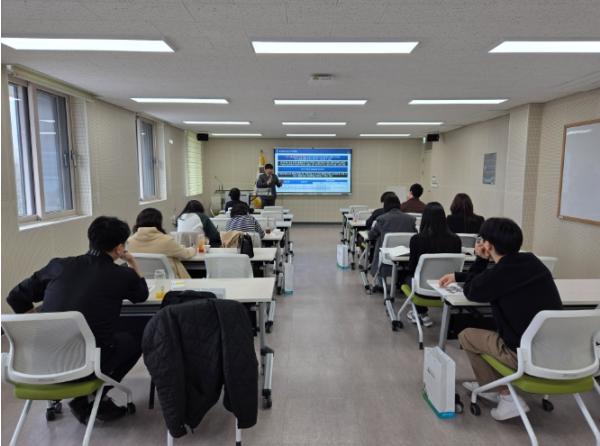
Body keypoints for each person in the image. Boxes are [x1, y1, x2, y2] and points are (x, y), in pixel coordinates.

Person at [6, 216, 149, 423]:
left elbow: (15, 297)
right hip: (86, 365)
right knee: (139, 337)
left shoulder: (58, 266)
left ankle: (87, 397)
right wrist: (132, 262)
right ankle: (91, 398)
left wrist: (37, 321)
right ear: (119, 248)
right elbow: (142, 295)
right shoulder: (121, 274)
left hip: (41, 361)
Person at [438, 218, 562, 421]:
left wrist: (480, 259)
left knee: (467, 335)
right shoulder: (532, 262)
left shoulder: (499, 274)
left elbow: (472, 291)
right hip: (556, 351)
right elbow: (494, 279)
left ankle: (502, 394)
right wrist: (459, 276)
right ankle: (491, 383)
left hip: (523, 354)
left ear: (488, 245)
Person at [406, 202, 462, 327]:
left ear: (424, 218)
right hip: (447, 286)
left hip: (422, 288)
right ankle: (421, 314)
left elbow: (412, 268)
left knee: (410, 277)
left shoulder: (416, 239)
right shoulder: (456, 240)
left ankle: (420, 312)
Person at [128, 208, 196, 278]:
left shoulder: (129, 242)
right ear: (159, 223)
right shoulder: (166, 241)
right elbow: (186, 254)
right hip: (168, 282)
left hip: (140, 282)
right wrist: (193, 248)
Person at [368, 195, 417, 277]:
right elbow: (415, 235)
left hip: (387, 256)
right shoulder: (411, 219)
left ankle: (380, 277)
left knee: (379, 238)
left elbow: (371, 236)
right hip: (405, 255)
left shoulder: (382, 219)